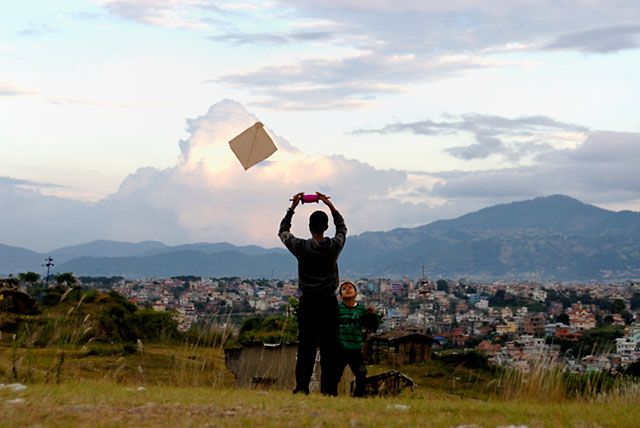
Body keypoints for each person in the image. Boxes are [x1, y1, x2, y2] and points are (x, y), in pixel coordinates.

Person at [278, 191, 347, 396]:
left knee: (306, 347)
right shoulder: (334, 246)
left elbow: (283, 231)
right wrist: (330, 205)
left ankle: (301, 387)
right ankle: (329, 390)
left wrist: (293, 208)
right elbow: (342, 228)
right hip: (328, 303)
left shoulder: (301, 246)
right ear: (326, 227)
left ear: (309, 227)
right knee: (329, 348)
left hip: (308, 303)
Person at [336, 281, 380, 397]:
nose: (347, 289)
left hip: (356, 349)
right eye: (344, 288)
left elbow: (372, 326)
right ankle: (331, 395)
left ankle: (358, 396)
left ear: (356, 293)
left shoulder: (361, 310)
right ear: (341, 295)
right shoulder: (337, 309)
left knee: (361, 374)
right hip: (340, 348)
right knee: (334, 375)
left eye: (350, 287)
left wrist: (372, 315)